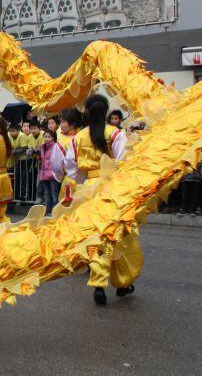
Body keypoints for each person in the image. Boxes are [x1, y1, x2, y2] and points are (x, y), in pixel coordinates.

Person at [65, 94, 138, 306]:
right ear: (106, 111)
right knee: (118, 235)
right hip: (111, 190)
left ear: (86, 112)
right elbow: (124, 161)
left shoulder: (79, 137)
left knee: (96, 237)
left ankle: (98, 282)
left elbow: (71, 167)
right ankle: (123, 282)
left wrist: (85, 181)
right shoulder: (115, 134)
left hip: (89, 191)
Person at [50, 108, 82, 205]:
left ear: (72, 124)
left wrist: (61, 177)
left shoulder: (62, 142)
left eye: (63, 122)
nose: (60, 125)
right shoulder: (84, 136)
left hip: (69, 181)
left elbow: (56, 165)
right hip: (86, 182)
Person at [38, 129, 60, 213]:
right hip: (44, 174)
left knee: (54, 195)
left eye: (49, 137)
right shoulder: (42, 147)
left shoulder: (55, 146)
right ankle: (48, 212)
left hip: (53, 175)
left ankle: (54, 213)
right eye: (45, 137)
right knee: (47, 195)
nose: (47, 139)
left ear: (53, 138)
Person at [7, 123, 30, 201]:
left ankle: (22, 196)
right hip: (13, 162)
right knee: (14, 179)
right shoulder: (8, 135)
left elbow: (24, 148)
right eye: (10, 131)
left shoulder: (22, 136)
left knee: (22, 179)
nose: (11, 133)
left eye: (13, 131)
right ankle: (14, 196)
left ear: (18, 130)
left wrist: (13, 152)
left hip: (23, 161)